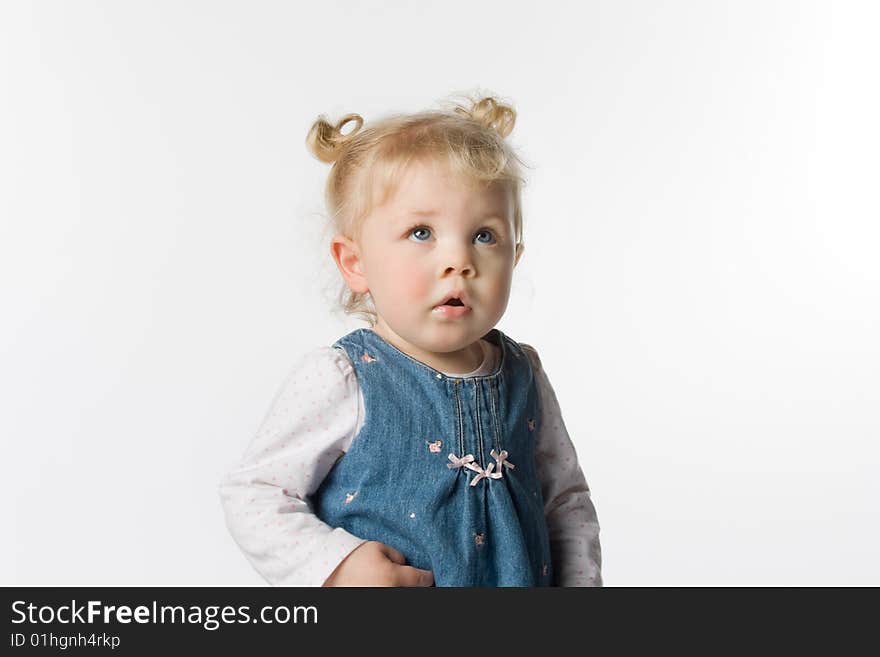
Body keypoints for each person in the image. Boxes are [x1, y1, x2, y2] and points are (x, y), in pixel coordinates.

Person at [218, 93, 602, 586]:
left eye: (484, 235)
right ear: (355, 262)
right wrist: (337, 567)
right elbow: (255, 492)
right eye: (422, 232)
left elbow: (564, 500)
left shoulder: (523, 373)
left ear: (516, 255)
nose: (458, 261)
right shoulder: (346, 379)